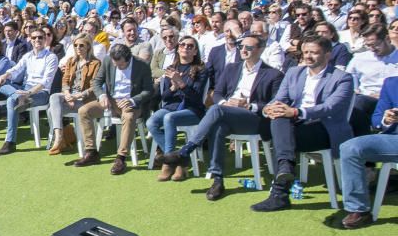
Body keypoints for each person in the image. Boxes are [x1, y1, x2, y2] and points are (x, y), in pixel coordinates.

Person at [161, 33, 284, 201]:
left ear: (261, 49)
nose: (244, 50)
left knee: (215, 111)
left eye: (249, 47)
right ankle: (218, 180)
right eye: (241, 46)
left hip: (254, 119)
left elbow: (274, 104)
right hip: (227, 113)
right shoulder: (232, 68)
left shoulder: (272, 74)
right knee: (218, 126)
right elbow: (217, 93)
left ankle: (186, 151)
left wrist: (248, 105)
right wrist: (225, 102)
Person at [250, 35, 354, 212]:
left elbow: (330, 107)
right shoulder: (294, 72)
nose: (308, 56)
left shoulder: (342, 78)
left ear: (328, 54)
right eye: (305, 52)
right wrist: (269, 109)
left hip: (324, 129)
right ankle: (284, 170)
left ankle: (280, 192)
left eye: (314, 52)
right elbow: (279, 99)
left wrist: (297, 112)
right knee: (279, 119)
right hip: (294, 126)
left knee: (280, 131)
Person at [74, 43, 154, 174]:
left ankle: (121, 158)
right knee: (84, 111)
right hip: (110, 100)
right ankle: (91, 152)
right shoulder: (107, 60)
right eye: (114, 63)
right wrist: (102, 95)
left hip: (131, 102)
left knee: (128, 117)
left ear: (129, 59)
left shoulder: (142, 65)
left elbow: (148, 90)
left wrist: (133, 100)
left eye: (121, 64)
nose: (117, 66)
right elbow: (97, 82)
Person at [336, 76, 398, 228]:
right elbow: (376, 119)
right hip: (394, 139)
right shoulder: (391, 83)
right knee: (350, 148)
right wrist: (386, 119)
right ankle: (358, 210)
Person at [147, 36, 208, 181]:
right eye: (182, 45)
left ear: (195, 51)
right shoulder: (171, 69)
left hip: (192, 110)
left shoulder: (201, 70)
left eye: (190, 46)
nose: (185, 48)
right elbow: (165, 97)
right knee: (151, 122)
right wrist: (173, 87)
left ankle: (168, 164)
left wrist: (181, 83)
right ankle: (179, 160)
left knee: (169, 118)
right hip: (172, 107)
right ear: (178, 49)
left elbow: (197, 98)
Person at [0, 28, 59, 155]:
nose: (37, 40)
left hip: (40, 93)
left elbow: (46, 82)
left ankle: (10, 142)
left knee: (11, 100)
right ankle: (17, 96)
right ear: (30, 40)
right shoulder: (28, 56)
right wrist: (5, 75)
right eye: (34, 38)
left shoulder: (51, 57)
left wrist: (29, 93)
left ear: (45, 40)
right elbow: (16, 69)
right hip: (23, 91)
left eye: (40, 37)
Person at [46, 35, 101, 155]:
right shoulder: (71, 61)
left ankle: (64, 138)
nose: (78, 48)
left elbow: (94, 87)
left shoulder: (95, 63)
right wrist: (67, 94)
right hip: (70, 96)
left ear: (88, 47)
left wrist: (76, 96)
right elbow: (65, 81)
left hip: (85, 100)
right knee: (54, 97)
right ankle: (60, 137)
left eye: (81, 45)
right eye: (75, 45)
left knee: (51, 111)